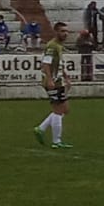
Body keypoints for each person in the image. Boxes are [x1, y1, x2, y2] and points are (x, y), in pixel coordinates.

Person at [33, 21, 74, 149]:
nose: (65, 34)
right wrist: (49, 79)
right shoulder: (52, 46)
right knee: (58, 110)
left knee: (65, 109)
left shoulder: (59, 46)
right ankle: (56, 141)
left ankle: (41, 128)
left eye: (67, 31)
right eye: (62, 31)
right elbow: (46, 64)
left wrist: (66, 76)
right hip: (52, 82)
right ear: (56, 32)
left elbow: (58, 64)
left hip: (58, 80)